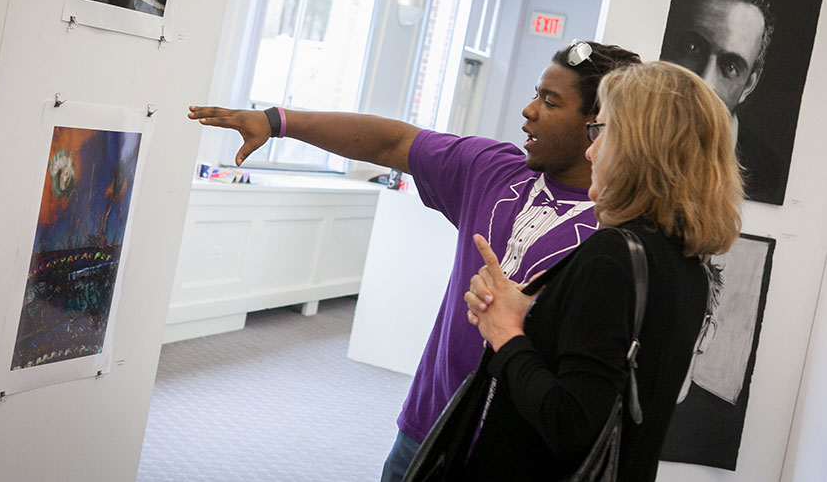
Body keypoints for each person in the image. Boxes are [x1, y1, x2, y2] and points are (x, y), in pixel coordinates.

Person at [187, 40, 641, 481]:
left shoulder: (624, 235)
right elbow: (392, 142)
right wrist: (277, 120)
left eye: (550, 100)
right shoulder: (494, 169)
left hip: (515, 456)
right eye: (534, 94)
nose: (529, 111)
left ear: (597, 123)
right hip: (427, 428)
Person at [462, 61, 744, 481]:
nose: (591, 150)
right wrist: (529, 316)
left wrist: (504, 332)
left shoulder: (612, 256)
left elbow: (569, 422)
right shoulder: (687, 264)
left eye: (602, 131)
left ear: (641, 146)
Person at [660, 0, 778, 202]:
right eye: (692, 48)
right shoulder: (629, 141)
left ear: (749, 85)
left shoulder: (766, 174)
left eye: (731, 66)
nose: (705, 82)